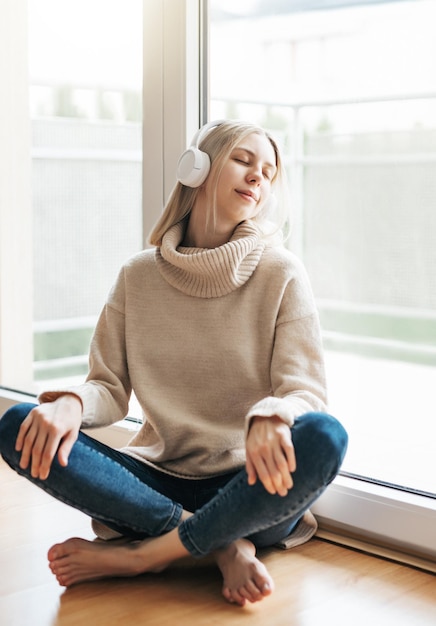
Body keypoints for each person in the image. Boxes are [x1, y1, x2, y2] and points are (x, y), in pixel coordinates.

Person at [0, 119, 347, 607]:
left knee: (326, 436)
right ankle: (221, 546)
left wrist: (273, 413)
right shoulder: (137, 276)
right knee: (18, 424)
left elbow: (305, 393)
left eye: (268, 172)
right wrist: (73, 405)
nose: (257, 178)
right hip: (157, 483)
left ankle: (141, 557)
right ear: (197, 167)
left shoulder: (281, 272)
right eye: (244, 160)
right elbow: (109, 387)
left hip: (247, 487)